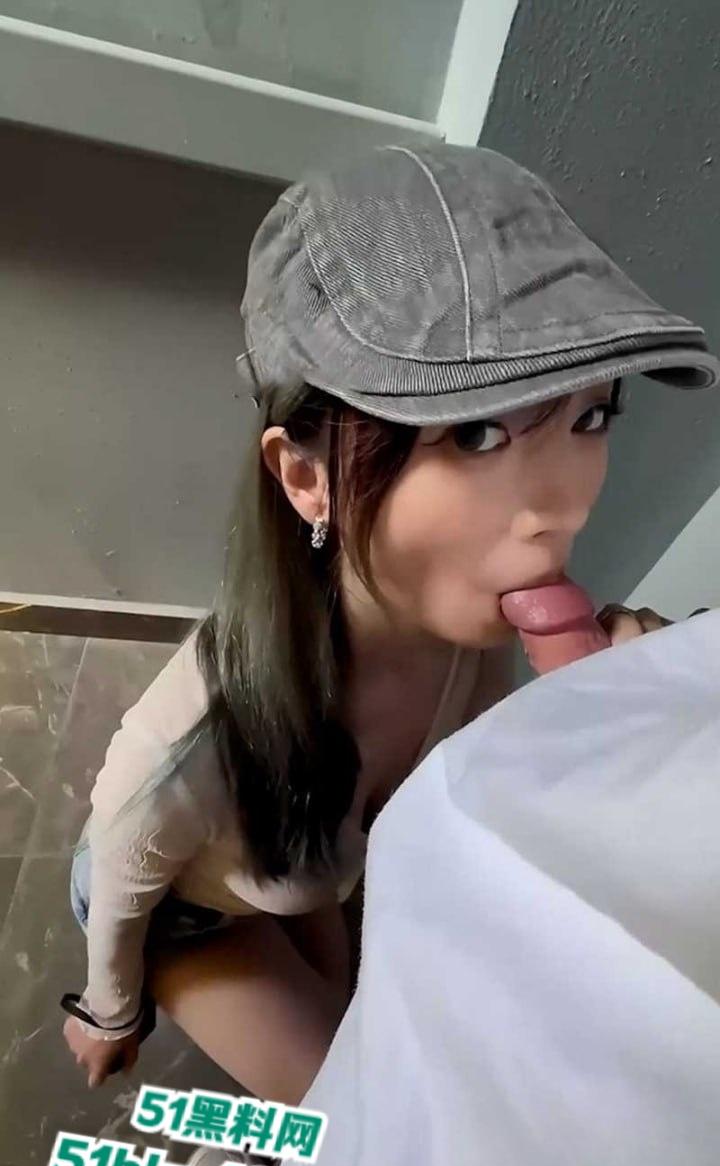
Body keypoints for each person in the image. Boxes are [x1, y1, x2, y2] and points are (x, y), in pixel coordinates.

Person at [62, 142, 717, 1113]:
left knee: (377, 1030)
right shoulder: (204, 728)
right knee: (360, 1114)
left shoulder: (466, 643)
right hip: (190, 912)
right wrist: (110, 1011)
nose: (564, 506)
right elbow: (122, 867)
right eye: (477, 433)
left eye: (590, 417)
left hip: (316, 871)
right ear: (306, 477)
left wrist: (628, 739)